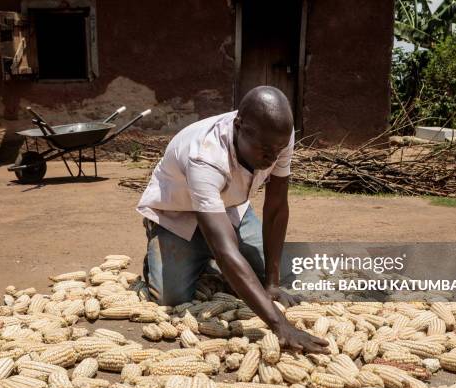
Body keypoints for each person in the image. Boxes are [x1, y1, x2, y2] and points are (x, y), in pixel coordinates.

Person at [137, 86, 328, 352]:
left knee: (267, 278)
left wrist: (272, 283)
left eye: (278, 149)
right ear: (239, 126)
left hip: (229, 205)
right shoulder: (205, 156)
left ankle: (203, 257)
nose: (273, 157)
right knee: (171, 297)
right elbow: (226, 253)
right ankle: (164, 251)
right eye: (265, 149)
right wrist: (279, 324)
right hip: (177, 212)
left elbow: (276, 206)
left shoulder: (278, 135)